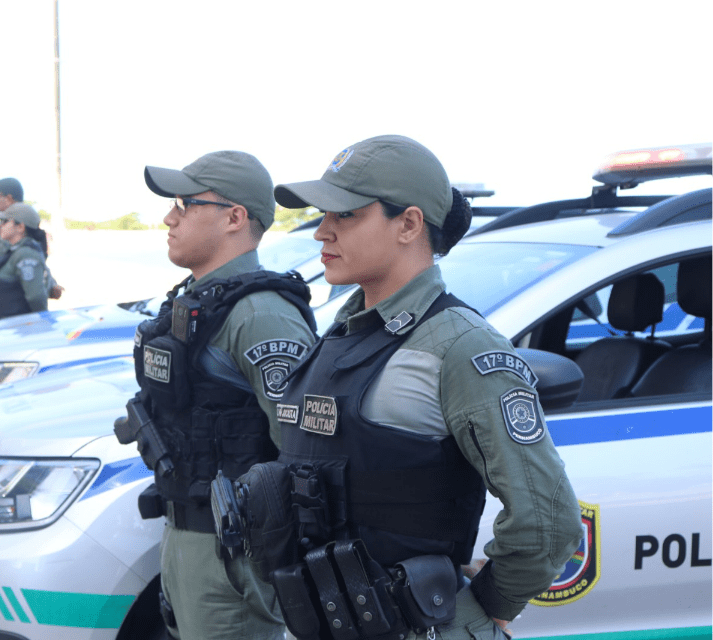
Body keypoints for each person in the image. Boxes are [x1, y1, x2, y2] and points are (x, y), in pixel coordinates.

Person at [250, 135, 583, 640]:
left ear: (407, 224)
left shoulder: (459, 347)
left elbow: (548, 522)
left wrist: (486, 609)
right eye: (324, 215)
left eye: (345, 216)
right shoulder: (341, 335)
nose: (322, 232)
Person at [120, 150, 317, 639]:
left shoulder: (261, 316)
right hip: (190, 536)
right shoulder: (196, 301)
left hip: (234, 552)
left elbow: (308, 449)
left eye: (185, 205)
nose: (170, 217)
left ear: (234, 217)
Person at [0, 177, 64, 307]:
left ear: (9, 198)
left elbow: (35, 262)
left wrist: (51, 285)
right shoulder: (7, 229)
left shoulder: (22, 229)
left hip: (19, 313)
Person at [0, 202, 49, 322]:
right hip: (8, 326)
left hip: (18, 329)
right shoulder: (14, 250)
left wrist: (45, 322)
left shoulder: (25, 254)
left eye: (5, 221)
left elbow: (36, 297)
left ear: (20, 227)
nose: (1, 226)